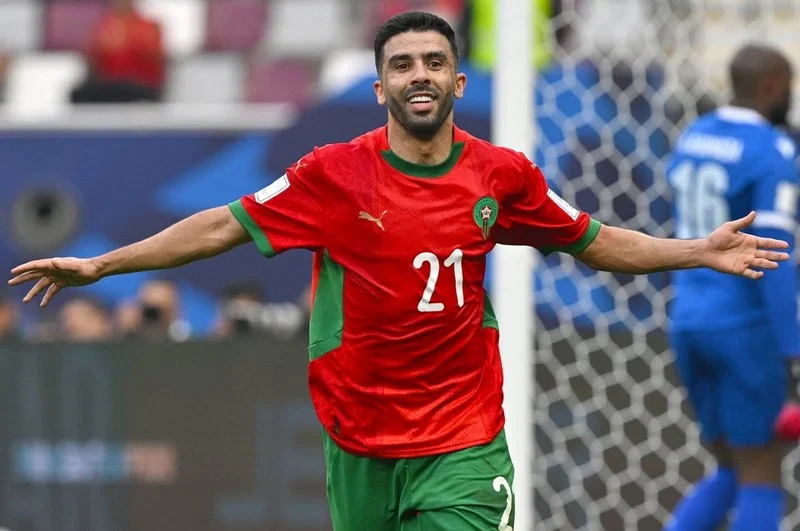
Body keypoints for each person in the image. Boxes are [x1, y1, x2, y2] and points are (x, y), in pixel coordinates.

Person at [7, 13, 792, 530]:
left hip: (463, 440)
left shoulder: (501, 175)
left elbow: (591, 240)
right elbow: (222, 225)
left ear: (457, 81)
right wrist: (102, 263)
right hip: (360, 438)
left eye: (435, 62)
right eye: (404, 63)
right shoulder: (332, 175)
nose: (421, 74)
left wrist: (694, 249)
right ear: (381, 85)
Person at [664, 43, 798, 531]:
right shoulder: (772, 152)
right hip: (745, 327)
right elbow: (775, 259)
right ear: (774, 87)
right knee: (761, 470)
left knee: (730, 467)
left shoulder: (694, 135)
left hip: (689, 319)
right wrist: (792, 351)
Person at [70, 0, 165, 104]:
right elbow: (94, 61)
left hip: (138, 84)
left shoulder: (149, 26)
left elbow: (154, 60)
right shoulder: (103, 26)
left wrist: (127, 41)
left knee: (127, 89)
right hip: (109, 84)